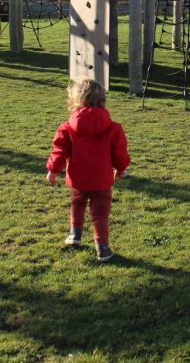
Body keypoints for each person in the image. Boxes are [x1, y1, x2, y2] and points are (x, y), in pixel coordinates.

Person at [46, 78, 130, 262]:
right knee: (100, 214)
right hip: (102, 180)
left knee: (77, 204)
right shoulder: (113, 129)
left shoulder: (67, 128)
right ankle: (102, 247)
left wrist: (52, 170)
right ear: (102, 100)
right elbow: (119, 152)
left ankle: (74, 234)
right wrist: (121, 168)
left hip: (78, 179)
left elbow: (59, 151)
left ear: (76, 100)